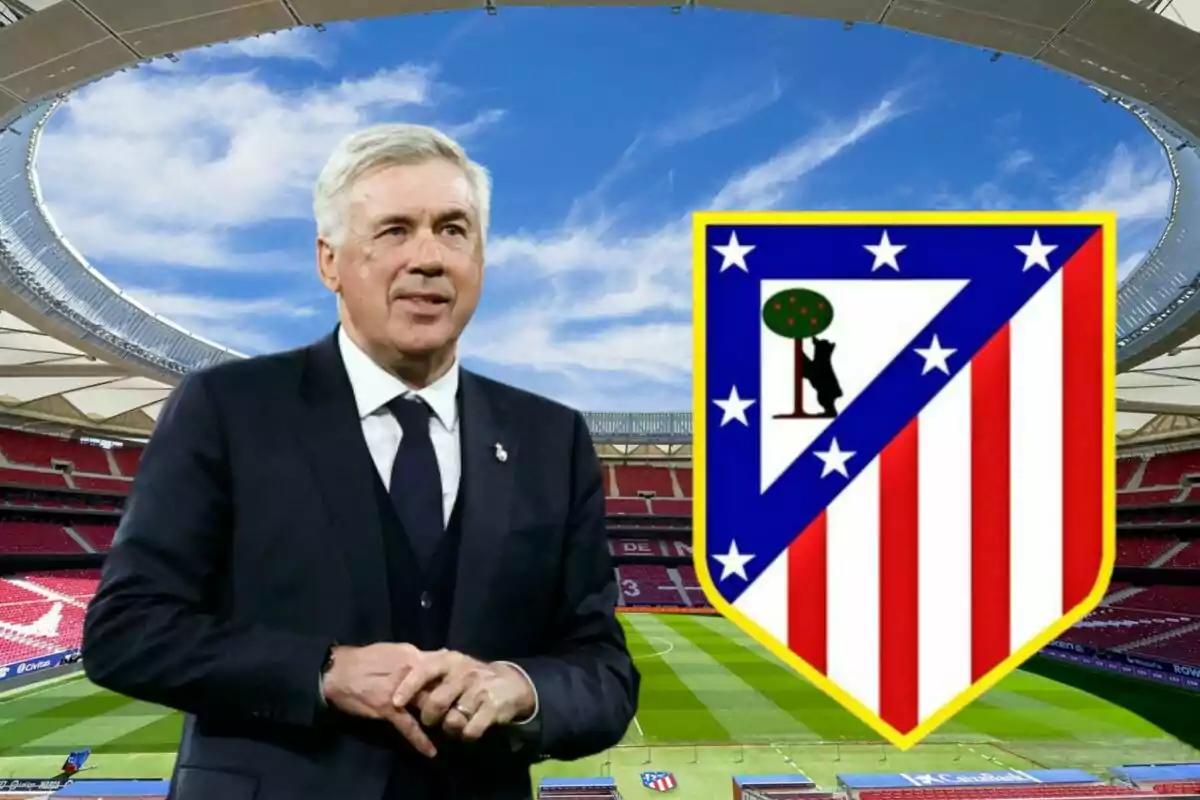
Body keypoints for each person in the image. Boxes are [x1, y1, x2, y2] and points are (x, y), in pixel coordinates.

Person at [81, 123, 640, 800]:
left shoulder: (551, 439)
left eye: (454, 229)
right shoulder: (228, 408)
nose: (429, 257)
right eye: (395, 230)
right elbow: (126, 630)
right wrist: (324, 671)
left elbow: (604, 670)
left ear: (482, 259)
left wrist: (520, 688)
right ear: (329, 262)